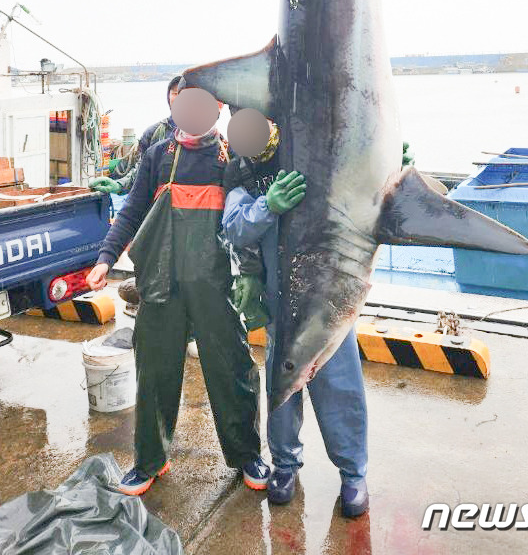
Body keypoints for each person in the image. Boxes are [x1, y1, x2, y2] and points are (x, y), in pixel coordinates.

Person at [86, 108, 269, 496]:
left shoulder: (232, 159)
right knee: (154, 370)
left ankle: (247, 454)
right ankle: (150, 460)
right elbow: (133, 211)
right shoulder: (158, 155)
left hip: (215, 286)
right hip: (159, 282)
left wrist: (251, 274)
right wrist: (105, 258)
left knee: (232, 368)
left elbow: (248, 219)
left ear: (217, 108)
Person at [222, 121, 370, 519]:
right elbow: (234, 230)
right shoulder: (241, 171)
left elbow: (359, 191)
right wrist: (265, 206)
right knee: (282, 389)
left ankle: (353, 473)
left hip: (328, 300)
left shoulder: (313, 146)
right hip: (280, 299)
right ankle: (284, 466)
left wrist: (385, 167)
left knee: (341, 389)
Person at [89, 76, 181, 195]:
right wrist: (119, 185)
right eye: (175, 93)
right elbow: (141, 173)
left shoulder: (208, 139)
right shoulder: (154, 133)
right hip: (159, 206)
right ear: (168, 97)